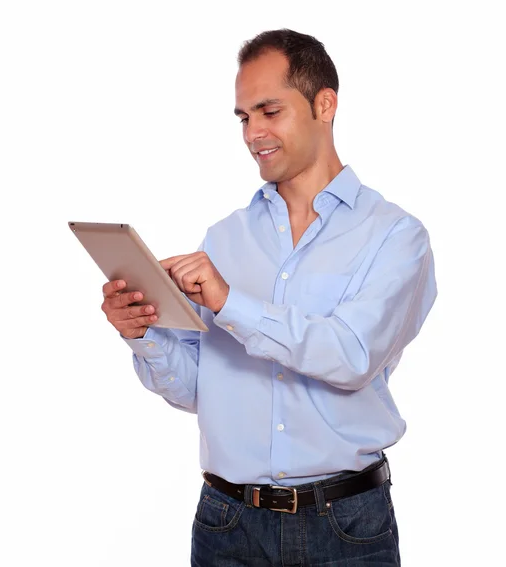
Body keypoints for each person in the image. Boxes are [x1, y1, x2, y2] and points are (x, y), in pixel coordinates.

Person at [101, 28, 437, 567]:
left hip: (346, 526)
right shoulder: (224, 238)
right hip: (226, 523)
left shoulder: (395, 237)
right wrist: (143, 333)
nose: (252, 132)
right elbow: (200, 390)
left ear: (324, 105)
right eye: (243, 117)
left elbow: (350, 356)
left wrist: (232, 302)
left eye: (268, 110)